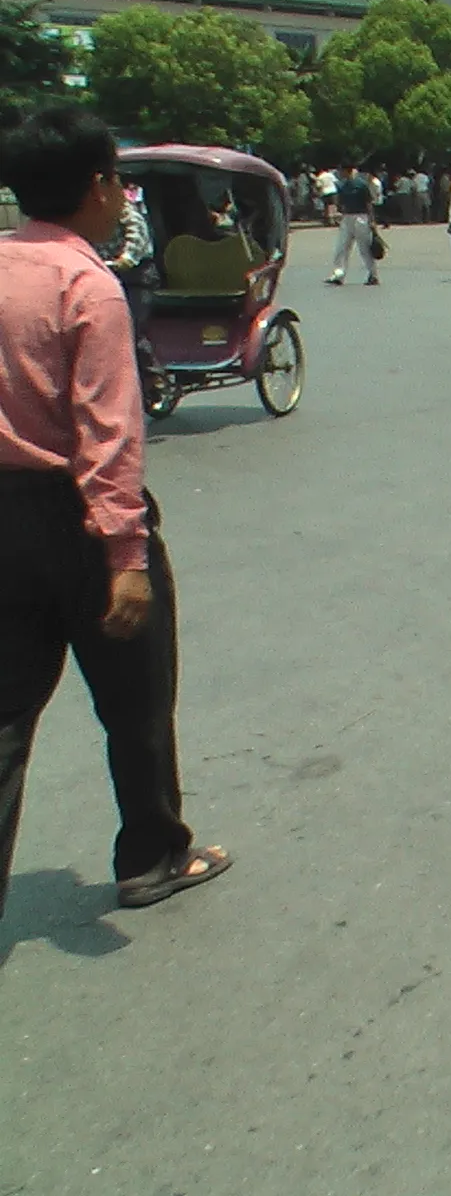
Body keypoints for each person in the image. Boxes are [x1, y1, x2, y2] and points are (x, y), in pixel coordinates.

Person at [0, 106, 232, 916]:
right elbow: (107, 435)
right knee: (135, 703)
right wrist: (124, 557)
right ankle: (153, 856)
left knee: (5, 714)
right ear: (99, 186)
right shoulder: (86, 284)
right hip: (77, 520)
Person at [325, 164, 381, 285]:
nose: (339, 173)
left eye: (341, 171)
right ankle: (338, 275)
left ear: (347, 171)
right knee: (341, 247)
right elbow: (339, 202)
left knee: (364, 248)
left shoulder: (361, 185)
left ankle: (373, 274)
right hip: (347, 217)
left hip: (361, 217)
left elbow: (368, 204)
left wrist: (372, 221)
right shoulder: (342, 185)